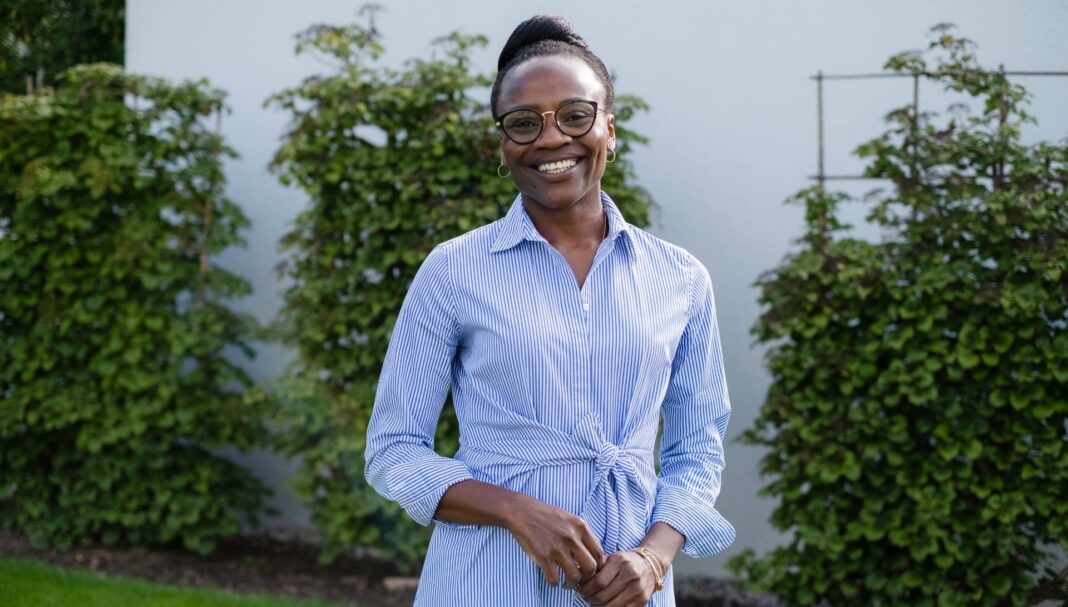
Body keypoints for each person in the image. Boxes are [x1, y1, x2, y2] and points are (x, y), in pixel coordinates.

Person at [364, 14, 735, 607]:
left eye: (575, 115)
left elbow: (697, 449)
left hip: (625, 584)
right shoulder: (453, 271)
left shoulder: (680, 279)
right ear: (503, 146)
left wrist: (654, 557)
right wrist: (516, 511)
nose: (552, 138)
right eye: (523, 123)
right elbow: (393, 450)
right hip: (487, 580)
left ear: (609, 130)